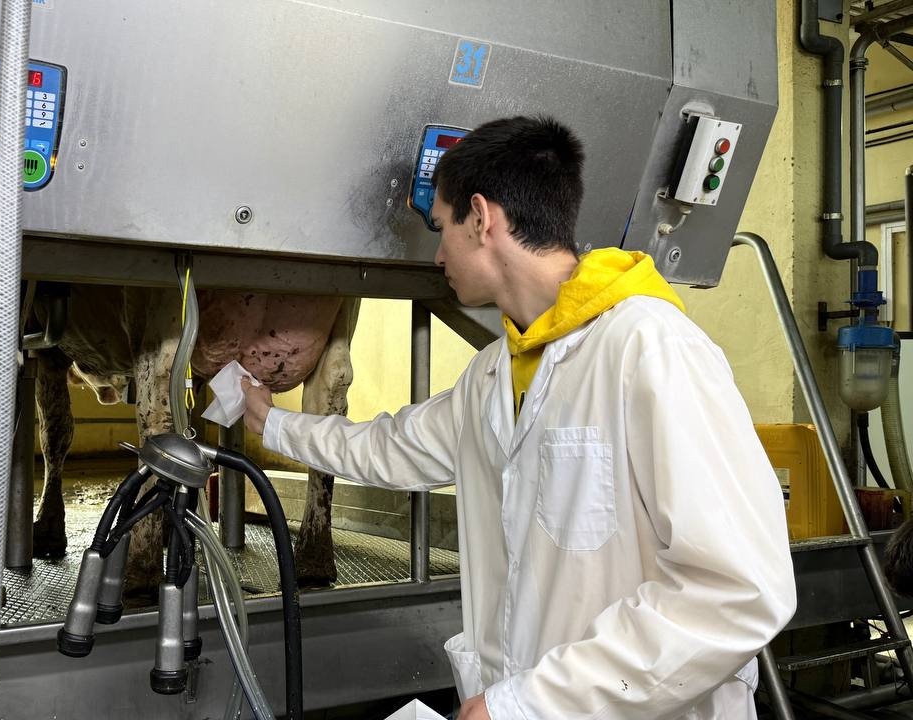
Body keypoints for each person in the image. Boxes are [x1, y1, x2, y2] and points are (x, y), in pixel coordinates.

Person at [241, 116, 796, 719]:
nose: (438, 253)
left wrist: (529, 704)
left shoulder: (651, 347)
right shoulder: (492, 373)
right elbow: (391, 447)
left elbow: (738, 591)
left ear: (482, 218)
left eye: (442, 227)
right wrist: (271, 423)